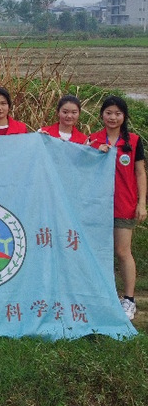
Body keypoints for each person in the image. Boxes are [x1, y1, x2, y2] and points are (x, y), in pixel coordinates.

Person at [89, 96, 147, 320]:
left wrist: (141, 203)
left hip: (124, 204)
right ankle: (104, 296)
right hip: (97, 206)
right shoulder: (92, 140)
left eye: (117, 113)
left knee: (123, 252)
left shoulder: (133, 141)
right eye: (108, 113)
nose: (112, 117)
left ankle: (129, 299)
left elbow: (140, 173)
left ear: (124, 116)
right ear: (102, 115)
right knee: (98, 252)